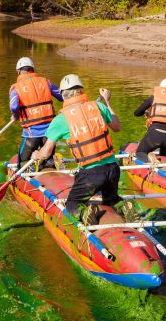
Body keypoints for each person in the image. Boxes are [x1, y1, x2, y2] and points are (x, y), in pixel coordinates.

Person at [31, 74, 126, 223]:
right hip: (113, 169)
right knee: (111, 199)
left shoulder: (61, 120)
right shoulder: (98, 107)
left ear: (63, 95)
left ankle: (85, 214)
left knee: (72, 205)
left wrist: (36, 155)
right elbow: (117, 127)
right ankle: (122, 205)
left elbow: (46, 152)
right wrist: (107, 101)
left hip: (91, 175)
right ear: (81, 91)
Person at [9, 57, 63, 169]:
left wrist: (15, 115)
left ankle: (24, 178)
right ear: (33, 69)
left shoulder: (16, 88)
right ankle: (49, 175)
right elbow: (62, 96)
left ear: (19, 72)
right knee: (48, 161)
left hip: (31, 135)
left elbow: (14, 106)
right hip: (50, 134)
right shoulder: (46, 82)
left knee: (23, 162)